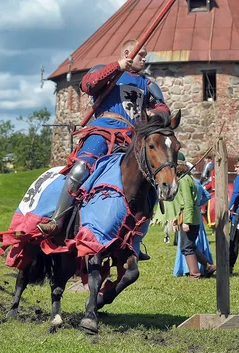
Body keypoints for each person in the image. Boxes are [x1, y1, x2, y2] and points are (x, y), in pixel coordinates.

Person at [37, 39, 170, 236]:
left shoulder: (148, 84)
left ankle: (135, 235)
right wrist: (117, 66)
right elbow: (87, 85)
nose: (144, 60)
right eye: (141, 55)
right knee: (81, 168)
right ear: (128, 54)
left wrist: (156, 114)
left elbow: (163, 109)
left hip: (132, 139)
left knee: (146, 181)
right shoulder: (107, 72)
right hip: (103, 131)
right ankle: (57, 219)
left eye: (144, 56)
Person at [174, 154, 216, 279]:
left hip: (190, 218)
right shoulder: (187, 179)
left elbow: (188, 202)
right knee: (189, 245)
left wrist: (186, 221)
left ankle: (195, 274)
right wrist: (179, 218)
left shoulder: (183, 181)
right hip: (191, 216)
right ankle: (209, 266)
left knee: (187, 247)